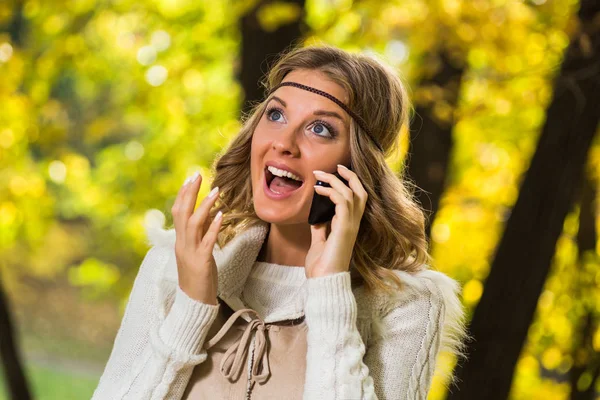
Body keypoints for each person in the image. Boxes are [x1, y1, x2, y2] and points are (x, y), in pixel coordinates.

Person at [92, 44, 470, 400]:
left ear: (357, 166)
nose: (284, 142)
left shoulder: (406, 304)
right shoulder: (174, 264)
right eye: (276, 114)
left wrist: (329, 290)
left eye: (320, 128)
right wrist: (192, 307)